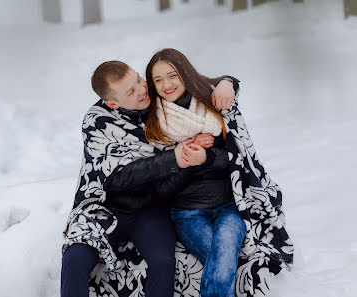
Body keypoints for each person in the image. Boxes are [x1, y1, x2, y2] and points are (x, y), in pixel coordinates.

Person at [61, 60, 238, 297]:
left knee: (163, 261)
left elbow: (198, 83)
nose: (142, 90)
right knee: (74, 258)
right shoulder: (98, 121)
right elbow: (120, 177)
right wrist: (172, 158)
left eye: (138, 80)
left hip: (150, 207)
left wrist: (227, 83)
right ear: (112, 103)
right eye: (131, 92)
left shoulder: (160, 105)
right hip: (105, 207)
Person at [144, 48, 294, 297]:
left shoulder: (212, 104)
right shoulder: (153, 122)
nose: (166, 84)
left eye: (172, 75)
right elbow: (161, 187)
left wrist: (208, 156)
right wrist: (184, 161)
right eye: (158, 80)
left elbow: (238, 159)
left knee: (224, 253)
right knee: (222, 260)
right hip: (187, 212)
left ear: (185, 73)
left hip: (229, 205)